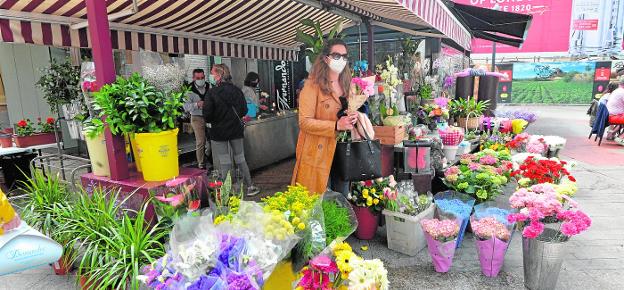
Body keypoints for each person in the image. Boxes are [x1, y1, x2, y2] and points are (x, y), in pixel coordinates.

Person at [291, 39, 359, 195]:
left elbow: (349, 113)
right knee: (317, 201)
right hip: (317, 153)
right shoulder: (312, 85)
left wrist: (354, 118)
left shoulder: (348, 84)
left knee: (341, 200)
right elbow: (304, 122)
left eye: (344, 56)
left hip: (343, 151)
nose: (340, 59)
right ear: (325, 58)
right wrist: (335, 126)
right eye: (336, 55)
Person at [203, 64, 259, 196]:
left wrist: (217, 118)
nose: (211, 76)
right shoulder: (236, 90)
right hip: (235, 129)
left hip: (218, 131)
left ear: (219, 75)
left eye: (212, 73)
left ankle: (227, 192)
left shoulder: (212, 93)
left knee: (224, 161)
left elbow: (207, 115)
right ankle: (250, 187)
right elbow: (244, 110)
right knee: (240, 158)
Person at [184, 69, 211, 169]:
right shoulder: (189, 89)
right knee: (201, 141)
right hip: (196, 117)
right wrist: (197, 104)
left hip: (209, 116)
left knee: (212, 140)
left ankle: (209, 157)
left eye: (202, 78)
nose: (201, 80)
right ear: (193, 78)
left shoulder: (209, 86)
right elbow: (185, 107)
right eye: (198, 78)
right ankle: (201, 164)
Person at [607, 77, 624, 145]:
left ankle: (612, 133)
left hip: (609, 114)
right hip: (613, 116)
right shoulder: (622, 92)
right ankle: (621, 138)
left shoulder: (617, 90)